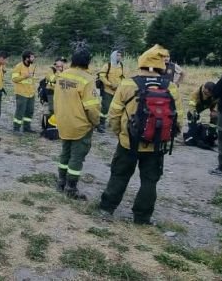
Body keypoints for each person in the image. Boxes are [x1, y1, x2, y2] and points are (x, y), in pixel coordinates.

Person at [99, 45, 183, 225]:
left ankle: (107, 208)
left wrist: (120, 133)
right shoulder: (172, 87)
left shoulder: (128, 84)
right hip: (156, 143)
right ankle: (142, 217)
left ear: (141, 63)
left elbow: (113, 115)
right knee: (149, 180)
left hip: (129, 142)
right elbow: (179, 119)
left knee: (119, 174)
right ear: (161, 65)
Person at [54, 48, 100, 200]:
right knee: (76, 156)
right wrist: (96, 122)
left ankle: (61, 182)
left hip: (63, 121)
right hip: (80, 124)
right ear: (87, 62)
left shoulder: (62, 75)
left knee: (65, 152)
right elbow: (92, 107)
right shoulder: (87, 79)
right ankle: (71, 188)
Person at [96, 50, 125, 133]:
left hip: (118, 91)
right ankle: (101, 124)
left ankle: (113, 123)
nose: (119, 57)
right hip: (107, 90)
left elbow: (123, 77)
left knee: (117, 107)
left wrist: (120, 85)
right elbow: (102, 76)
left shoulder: (121, 66)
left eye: (120, 55)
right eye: (117, 55)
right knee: (105, 108)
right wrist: (109, 84)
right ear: (113, 56)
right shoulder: (107, 66)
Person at [10, 50, 37, 133]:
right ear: (26, 58)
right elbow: (14, 79)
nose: (33, 58)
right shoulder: (18, 66)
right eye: (32, 57)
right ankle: (16, 128)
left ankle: (26, 128)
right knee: (20, 111)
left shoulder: (31, 67)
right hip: (21, 93)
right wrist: (25, 76)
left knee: (29, 111)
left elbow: (32, 80)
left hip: (31, 94)